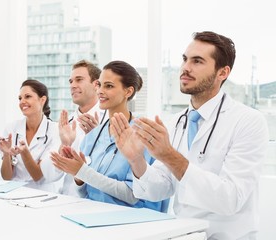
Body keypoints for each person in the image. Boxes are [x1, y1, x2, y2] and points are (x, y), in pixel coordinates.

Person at [110, 31, 269, 239]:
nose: (185, 68)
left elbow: (230, 199)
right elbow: (159, 189)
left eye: (198, 61)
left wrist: (168, 155)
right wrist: (136, 160)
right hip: (185, 234)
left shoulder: (249, 121)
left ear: (222, 73)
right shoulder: (175, 122)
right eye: (185, 59)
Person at [51, 60, 169, 212]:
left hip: (131, 223)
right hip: (94, 216)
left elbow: (133, 195)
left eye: (109, 86)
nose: (100, 91)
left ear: (128, 91)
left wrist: (83, 171)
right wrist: (78, 177)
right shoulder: (92, 136)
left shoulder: (143, 135)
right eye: (99, 85)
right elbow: (85, 193)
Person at [0, 79, 63, 192]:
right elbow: (6, 177)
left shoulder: (55, 130)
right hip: (14, 192)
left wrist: (25, 152)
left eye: (27, 96)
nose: (22, 101)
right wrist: (6, 154)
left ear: (42, 100)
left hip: (42, 193)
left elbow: (37, 175)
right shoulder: (11, 128)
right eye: (20, 98)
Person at [58, 59, 108, 195]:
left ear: (96, 85)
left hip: (97, 200)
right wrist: (64, 144)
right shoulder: (66, 123)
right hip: (68, 198)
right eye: (70, 81)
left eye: (79, 80)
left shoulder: (109, 119)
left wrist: (97, 137)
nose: (72, 85)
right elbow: (55, 174)